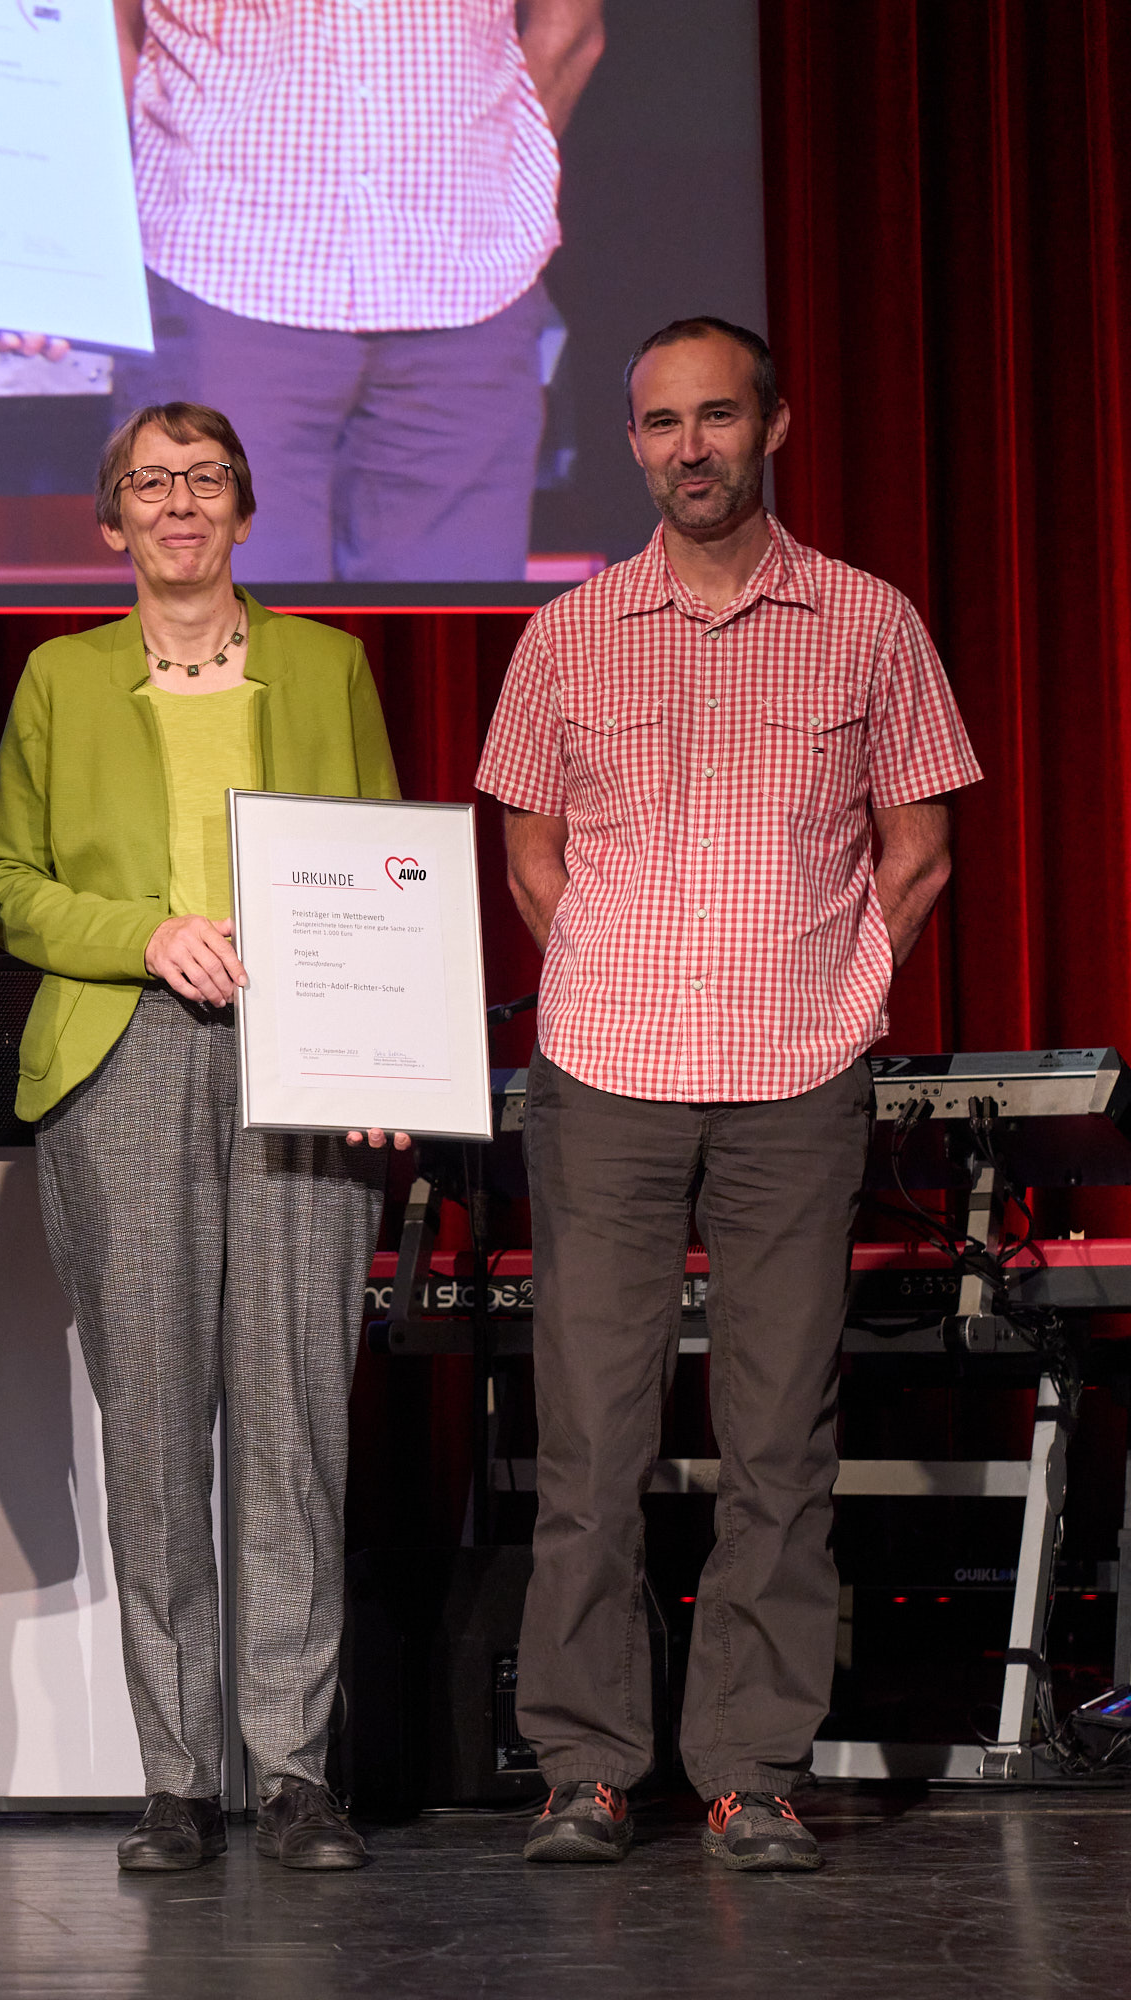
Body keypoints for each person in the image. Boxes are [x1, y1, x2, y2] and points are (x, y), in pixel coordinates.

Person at [477, 318, 978, 1873]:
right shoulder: (566, 634)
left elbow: (922, 848)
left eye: (713, 418)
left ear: (771, 428)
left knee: (779, 1439)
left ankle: (751, 1769)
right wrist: (609, 979)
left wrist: (838, 997)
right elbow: (529, 854)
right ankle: (584, 1766)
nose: (685, 447)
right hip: (607, 1078)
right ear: (629, 442)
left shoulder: (869, 622)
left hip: (794, 1081)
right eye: (655, 423)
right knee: (594, 1437)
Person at [0, 400, 401, 1873]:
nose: (177, 506)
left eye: (204, 480)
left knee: (294, 1420)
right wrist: (146, 935)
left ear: (241, 508)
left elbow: (377, 867)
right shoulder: (58, 675)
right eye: (149, 486)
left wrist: (381, 1050)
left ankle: (292, 1768)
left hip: (302, 1055)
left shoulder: (330, 665)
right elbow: (12, 890)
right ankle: (176, 1777)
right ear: (111, 522)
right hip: (124, 1050)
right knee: (154, 1425)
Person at [97, 0, 608, 582]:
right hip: (223, 275)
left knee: (444, 642)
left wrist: (483, 167)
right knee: (222, 643)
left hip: (465, 286)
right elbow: (101, 29)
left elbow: (568, 27)